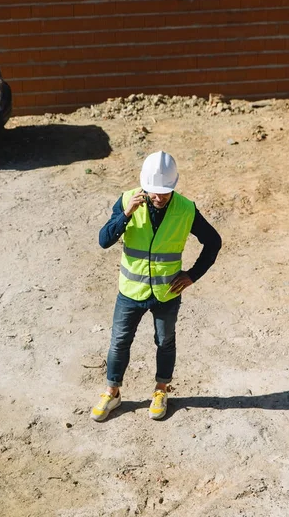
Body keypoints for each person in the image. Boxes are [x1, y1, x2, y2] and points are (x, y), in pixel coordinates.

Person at [90, 150, 222, 422]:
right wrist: (126, 214)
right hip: (130, 291)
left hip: (166, 292)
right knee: (119, 343)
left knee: (165, 341)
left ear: (173, 186)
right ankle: (112, 392)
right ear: (144, 186)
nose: (159, 197)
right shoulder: (127, 200)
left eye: (165, 192)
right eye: (154, 191)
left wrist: (193, 275)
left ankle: (161, 390)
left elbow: (213, 242)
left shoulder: (186, 208)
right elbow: (104, 240)